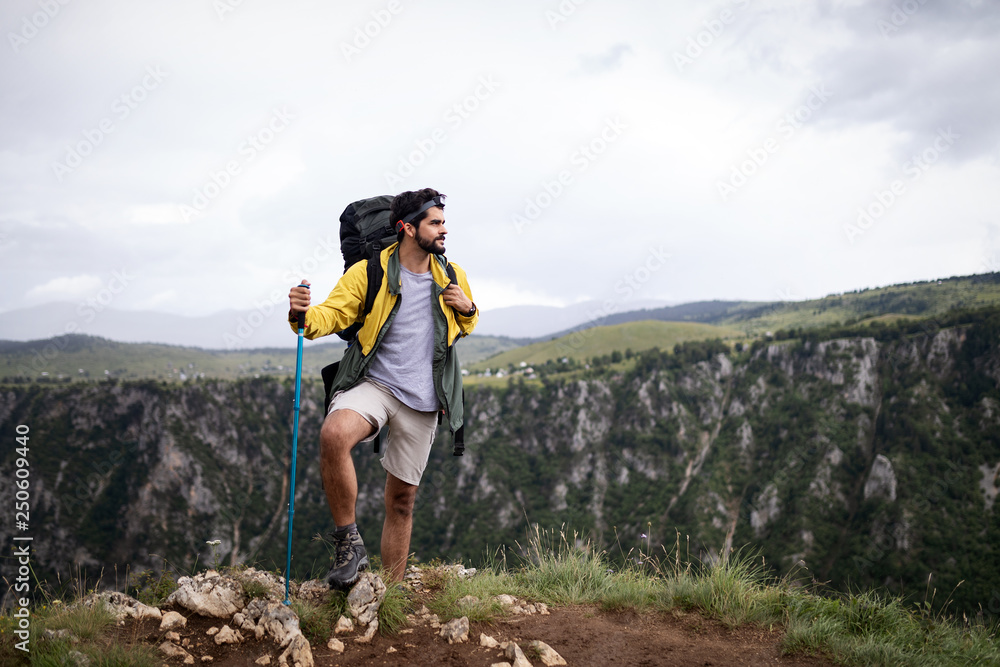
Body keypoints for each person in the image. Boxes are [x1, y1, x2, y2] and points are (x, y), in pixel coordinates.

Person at [287, 188, 478, 589]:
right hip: (375, 383)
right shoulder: (369, 273)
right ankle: (348, 543)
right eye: (435, 222)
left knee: (402, 503)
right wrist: (300, 314)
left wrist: (468, 310)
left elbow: (462, 325)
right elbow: (330, 315)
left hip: (424, 400)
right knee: (334, 433)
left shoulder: (453, 275)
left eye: (443, 221)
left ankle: (389, 594)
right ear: (408, 228)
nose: (445, 229)